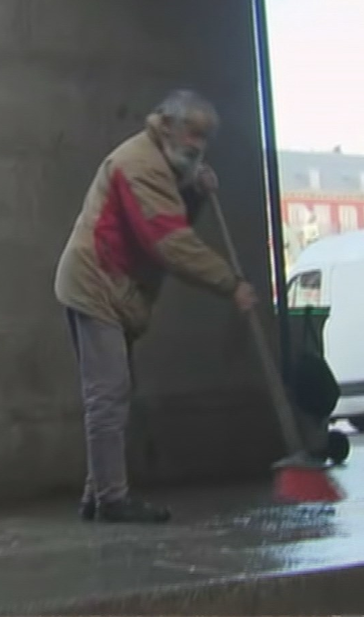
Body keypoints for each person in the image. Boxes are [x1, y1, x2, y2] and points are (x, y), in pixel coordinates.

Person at [54, 89, 259, 524]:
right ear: (166, 126)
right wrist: (231, 283)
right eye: (192, 133)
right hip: (97, 283)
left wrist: (195, 193)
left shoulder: (161, 164)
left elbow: (170, 218)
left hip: (111, 285)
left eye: (205, 138)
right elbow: (169, 241)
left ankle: (97, 494)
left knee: (114, 392)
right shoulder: (140, 164)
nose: (198, 146)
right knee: (108, 394)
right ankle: (111, 500)